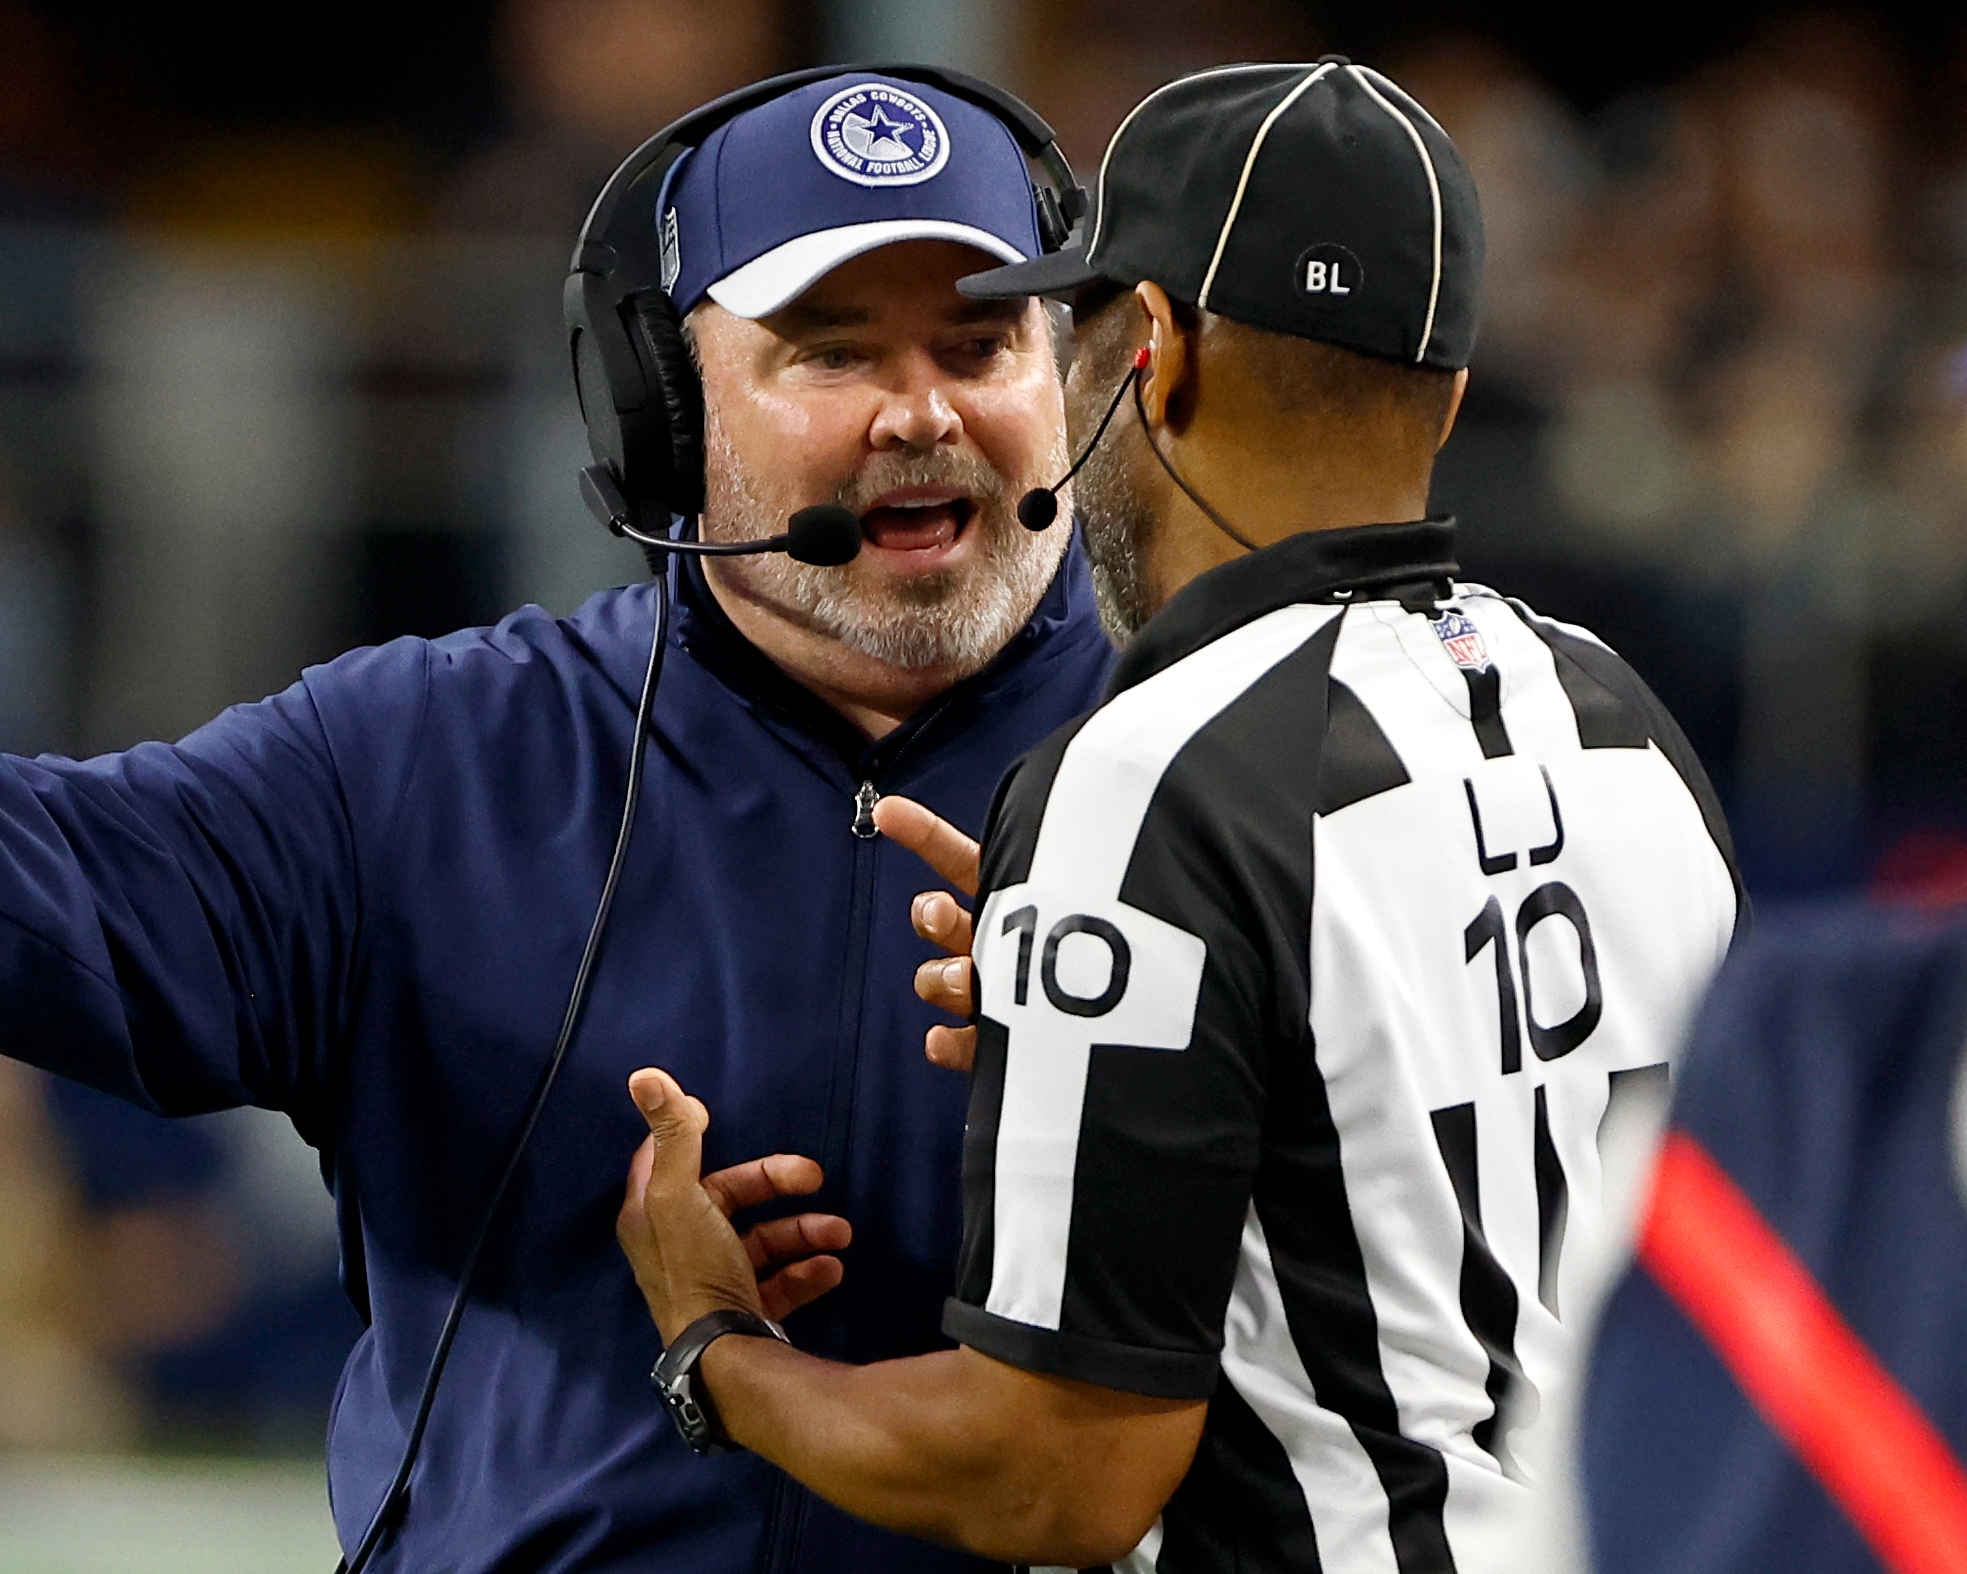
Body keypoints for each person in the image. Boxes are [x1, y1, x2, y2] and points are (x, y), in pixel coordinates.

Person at [0, 70, 1117, 1573]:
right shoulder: (441, 753)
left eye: (978, 344)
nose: (921, 409)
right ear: (667, 410)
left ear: (1068, 383)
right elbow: (62, 891)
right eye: (833, 350)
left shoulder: (1217, 767)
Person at [617, 58, 1744, 1569]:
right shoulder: (1622, 722)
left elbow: (1060, 1476)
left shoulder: (1151, 779)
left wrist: (715, 1348)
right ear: (1453, 390)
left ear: (1153, 347)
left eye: (1071, 334)